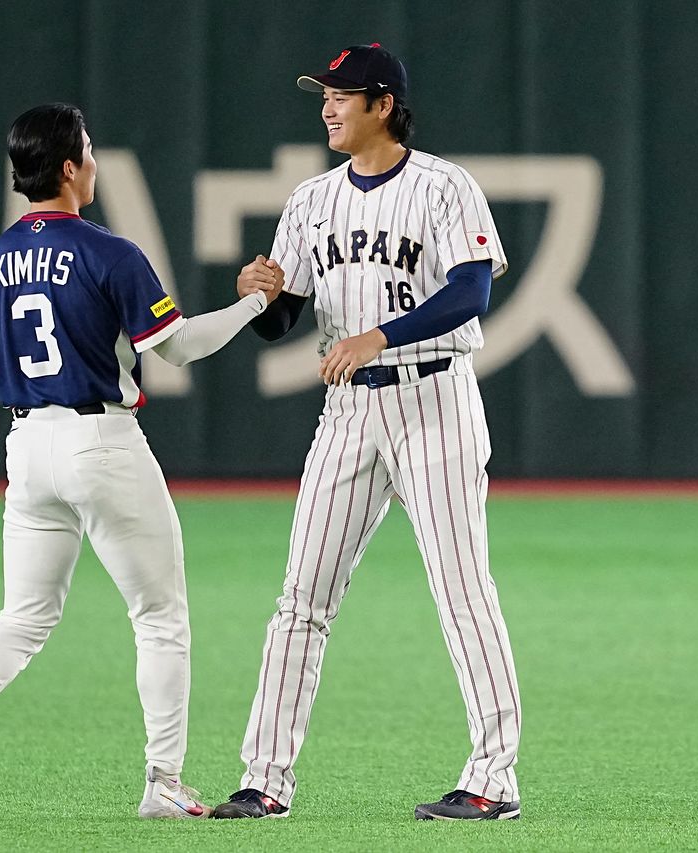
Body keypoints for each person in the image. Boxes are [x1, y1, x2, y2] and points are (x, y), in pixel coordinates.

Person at [0, 103, 282, 821]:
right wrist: (251, 305)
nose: (94, 161)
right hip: (101, 441)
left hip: (29, 449)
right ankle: (164, 781)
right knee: (160, 616)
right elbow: (176, 347)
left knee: (24, 616)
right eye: (86, 150)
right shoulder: (108, 252)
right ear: (67, 167)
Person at [211, 44, 523, 822]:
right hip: (350, 411)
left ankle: (494, 778)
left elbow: (471, 292)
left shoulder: (444, 186)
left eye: (342, 95)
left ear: (384, 104)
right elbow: (282, 319)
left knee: (462, 588)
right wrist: (257, 293)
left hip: (434, 399)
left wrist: (379, 335)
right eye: (324, 94)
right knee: (301, 597)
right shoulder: (311, 200)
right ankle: (265, 779)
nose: (327, 106)